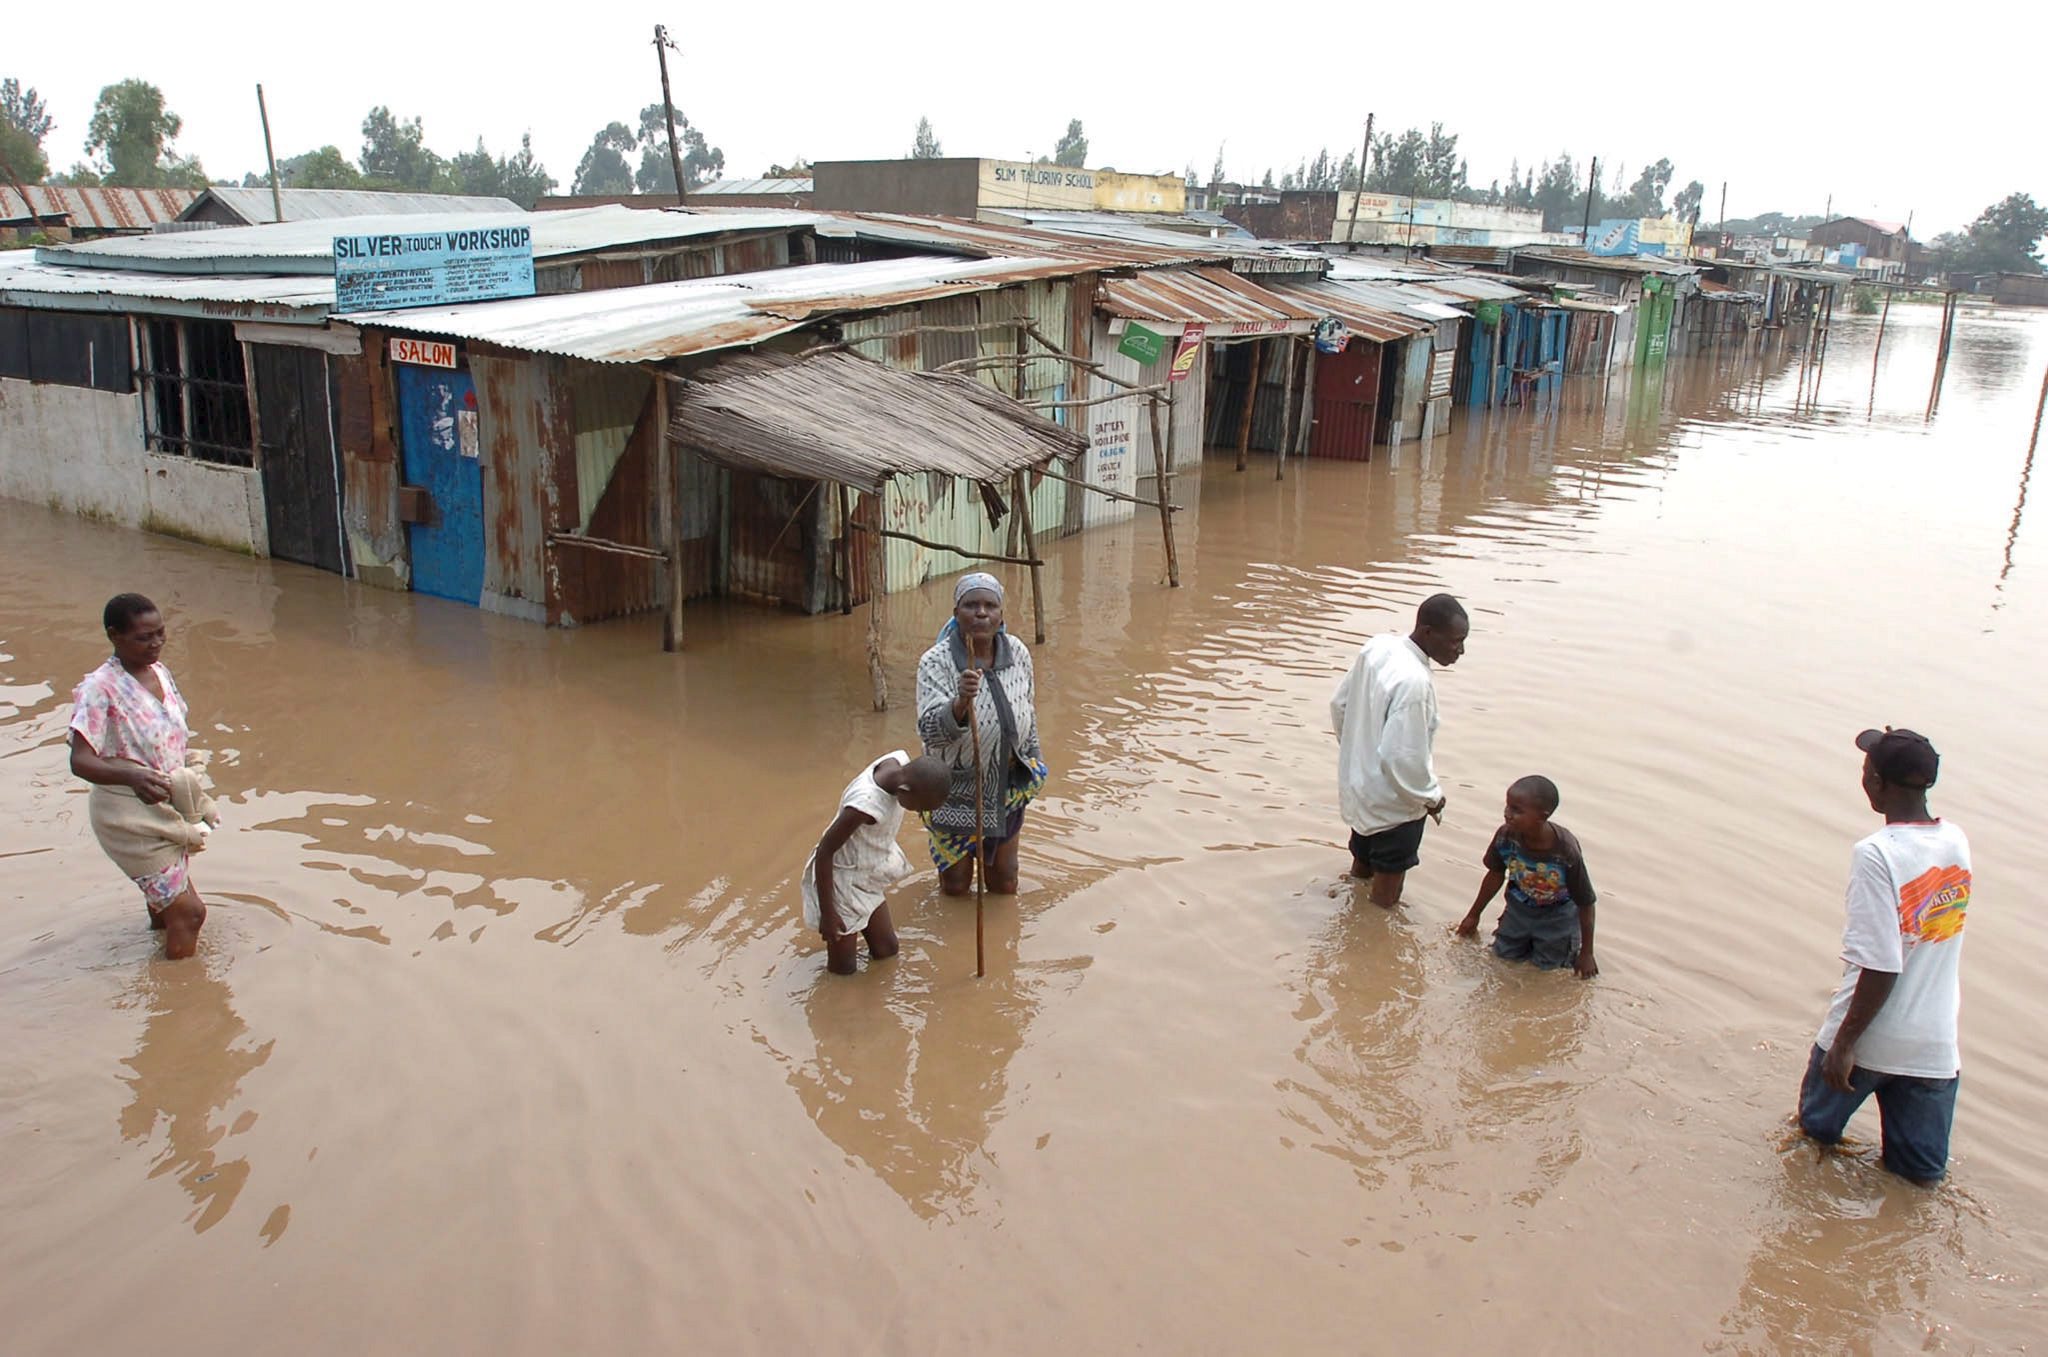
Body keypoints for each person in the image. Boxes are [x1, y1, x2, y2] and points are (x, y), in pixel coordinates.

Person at [1797, 727, 1972, 1186]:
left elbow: (1880, 964)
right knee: (1917, 1183)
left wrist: (1844, 1044)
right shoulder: (1956, 841)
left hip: (1869, 1038)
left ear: (1876, 785)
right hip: (1934, 1049)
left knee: (1810, 1146)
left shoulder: (1875, 854)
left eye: (1866, 770)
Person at [68, 593, 216, 960]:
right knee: (190, 913)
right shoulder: (99, 690)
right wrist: (133, 778)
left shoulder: (159, 673)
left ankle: (159, 946)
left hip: (164, 805)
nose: (155, 645)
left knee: (167, 905)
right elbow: (80, 760)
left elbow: (172, 736)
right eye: (143, 638)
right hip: (128, 816)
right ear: (114, 636)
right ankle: (181, 999)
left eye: (161, 634)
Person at [1330, 593, 1469, 908]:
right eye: (1455, 641)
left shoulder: (1378, 647)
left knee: (1361, 865)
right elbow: (1402, 757)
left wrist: (1358, 756)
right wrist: (1431, 797)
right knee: (1386, 897)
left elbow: (1339, 704)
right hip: (1395, 807)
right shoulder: (1415, 682)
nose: (1460, 650)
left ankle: (1351, 913)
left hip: (1361, 789)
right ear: (1428, 632)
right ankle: (1372, 945)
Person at [916, 573, 1049, 898]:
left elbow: (1027, 712)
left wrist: (1034, 763)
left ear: (1001, 614)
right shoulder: (935, 662)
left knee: (1005, 880)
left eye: (990, 605)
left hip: (1006, 785)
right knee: (956, 885)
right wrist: (960, 703)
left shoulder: (1017, 653)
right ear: (956, 612)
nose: (981, 613)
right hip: (954, 789)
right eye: (971, 605)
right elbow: (930, 731)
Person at [803, 751, 952, 975]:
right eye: (920, 808)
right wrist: (828, 913)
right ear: (904, 792)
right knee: (843, 970)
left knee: (887, 950)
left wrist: (923, 802)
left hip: (868, 872)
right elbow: (825, 852)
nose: (920, 813)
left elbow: (920, 786)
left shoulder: (899, 762)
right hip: (841, 882)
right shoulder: (865, 806)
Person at [1456, 775, 1599, 978]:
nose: (1508, 814)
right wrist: (1473, 915)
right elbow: (1495, 875)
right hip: (1518, 910)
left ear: (1542, 816)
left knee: (1549, 971)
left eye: (1517, 810)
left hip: (1558, 918)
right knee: (1502, 960)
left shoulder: (1565, 851)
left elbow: (1586, 902)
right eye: (1507, 807)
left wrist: (1587, 953)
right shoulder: (1506, 836)